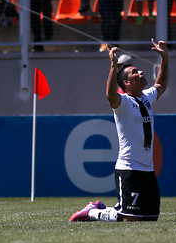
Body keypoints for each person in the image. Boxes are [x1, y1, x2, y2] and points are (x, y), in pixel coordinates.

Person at [69, 39, 169, 222]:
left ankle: (107, 208)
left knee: (151, 218)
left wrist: (165, 58)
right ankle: (92, 212)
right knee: (129, 219)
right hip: (129, 169)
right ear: (127, 83)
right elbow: (110, 96)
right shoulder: (123, 103)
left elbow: (161, 85)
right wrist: (113, 67)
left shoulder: (146, 97)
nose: (141, 72)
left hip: (147, 169)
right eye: (135, 72)